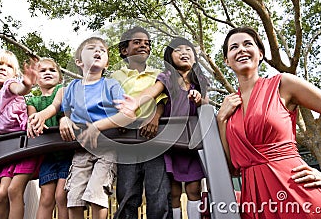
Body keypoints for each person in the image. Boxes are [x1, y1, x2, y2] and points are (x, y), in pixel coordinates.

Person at [216, 26, 321, 218]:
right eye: (234, 47)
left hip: (301, 197)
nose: (241, 49)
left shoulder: (284, 84)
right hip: (256, 204)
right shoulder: (228, 109)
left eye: (248, 44)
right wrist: (221, 119)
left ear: (260, 53)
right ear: (227, 61)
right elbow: (232, 169)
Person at [28, 37, 135, 219]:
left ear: (107, 63)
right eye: (92, 48)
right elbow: (56, 108)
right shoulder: (71, 88)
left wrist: (97, 126)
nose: (98, 51)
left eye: (102, 50)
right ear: (79, 61)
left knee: (96, 195)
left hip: (106, 150)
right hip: (80, 151)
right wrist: (56, 119)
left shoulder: (111, 85)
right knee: (73, 198)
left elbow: (128, 115)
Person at [115, 37, 210, 219]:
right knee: (173, 191)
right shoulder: (167, 78)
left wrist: (199, 99)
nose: (184, 52)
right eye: (178, 50)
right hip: (169, 144)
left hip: (190, 142)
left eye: (188, 50)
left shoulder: (200, 80)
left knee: (193, 188)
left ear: (195, 57)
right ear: (169, 57)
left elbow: (206, 103)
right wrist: (135, 102)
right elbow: (152, 92)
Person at [110, 26, 172, 219]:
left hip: (153, 141)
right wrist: (118, 118)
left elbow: (163, 99)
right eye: (137, 42)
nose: (143, 46)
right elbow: (110, 102)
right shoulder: (115, 76)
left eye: (147, 43)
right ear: (124, 50)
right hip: (126, 143)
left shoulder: (157, 74)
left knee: (159, 196)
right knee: (127, 194)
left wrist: (155, 117)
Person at [0, 50, 41, 219]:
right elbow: (1, 119)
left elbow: (20, 89)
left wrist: (27, 84)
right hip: (8, 151)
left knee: (14, 191)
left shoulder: (10, 86)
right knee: (1, 195)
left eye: (8, 66)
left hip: (25, 146)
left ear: (14, 74)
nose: (3, 68)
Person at [26, 58, 73, 219]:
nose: (47, 72)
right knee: (46, 198)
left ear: (59, 77)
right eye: (43, 70)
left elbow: (66, 111)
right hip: (48, 156)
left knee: (62, 195)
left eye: (52, 70)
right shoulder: (33, 101)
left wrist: (62, 119)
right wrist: (34, 124)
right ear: (35, 79)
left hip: (67, 153)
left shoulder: (63, 90)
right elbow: (33, 120)